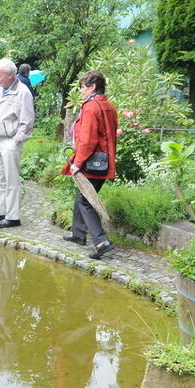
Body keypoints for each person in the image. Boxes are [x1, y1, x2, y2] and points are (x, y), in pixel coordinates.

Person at [61, 70, 118, 260]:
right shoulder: (108, 105)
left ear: (93, 87)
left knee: (86, 200)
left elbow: (87, 140)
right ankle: (78, 234)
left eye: (83, 87)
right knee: (81, 195)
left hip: (92, 162)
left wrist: (77, 163)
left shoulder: (91, 107)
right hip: (104, 160)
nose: (81, 91)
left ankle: (101, 241)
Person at [0, 58, 35, 228]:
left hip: (10, 141)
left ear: (10, 75)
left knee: (12, 179)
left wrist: (16, 141)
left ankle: (13, 217)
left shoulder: (23, 92)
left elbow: (27, 120)